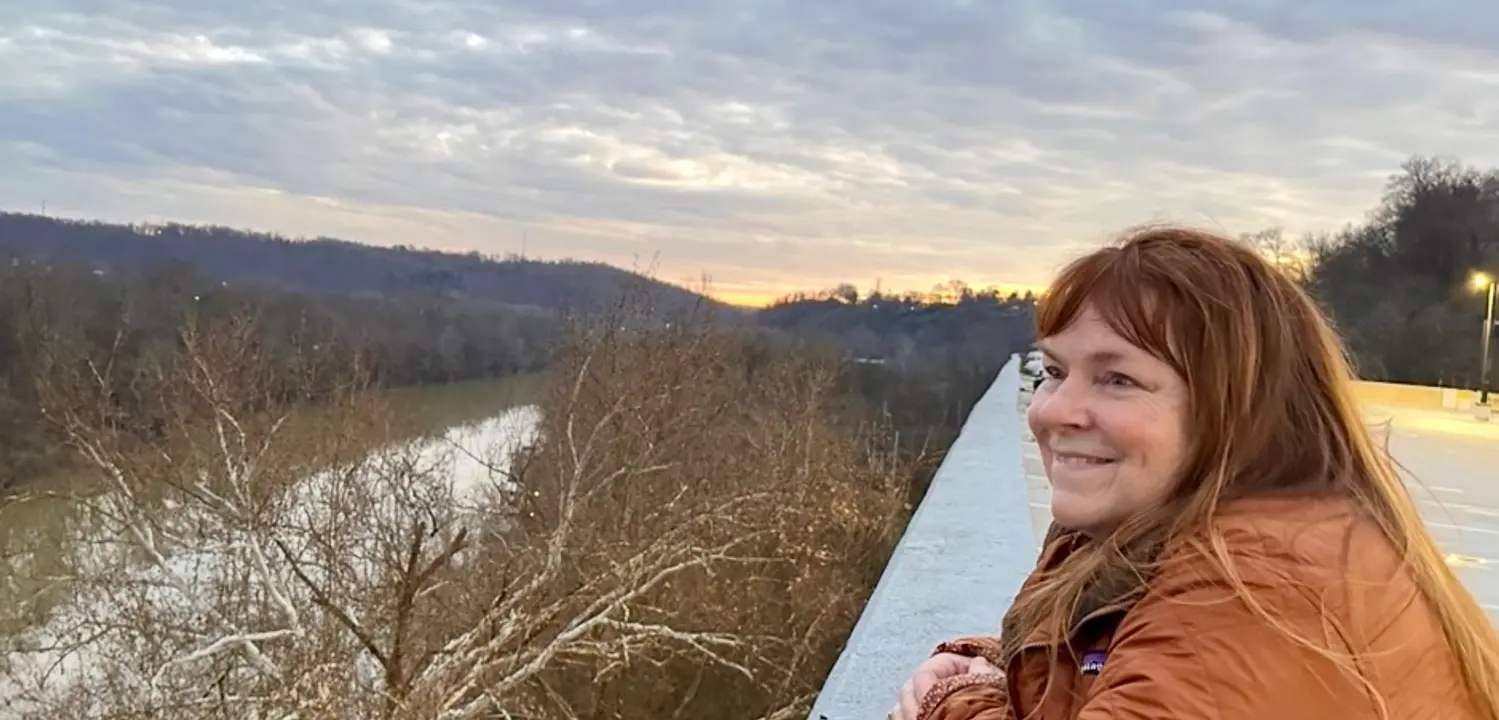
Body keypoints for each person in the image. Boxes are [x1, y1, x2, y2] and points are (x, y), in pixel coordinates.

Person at [888, 226, 1499, 720]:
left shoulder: (1258, 588)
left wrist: (958, 703)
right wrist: (997, 668)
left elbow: (1206, 657)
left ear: (1239, 410)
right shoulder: (1173, 532)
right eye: (1053, 371)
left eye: (1118, 379)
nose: (1052, 411)